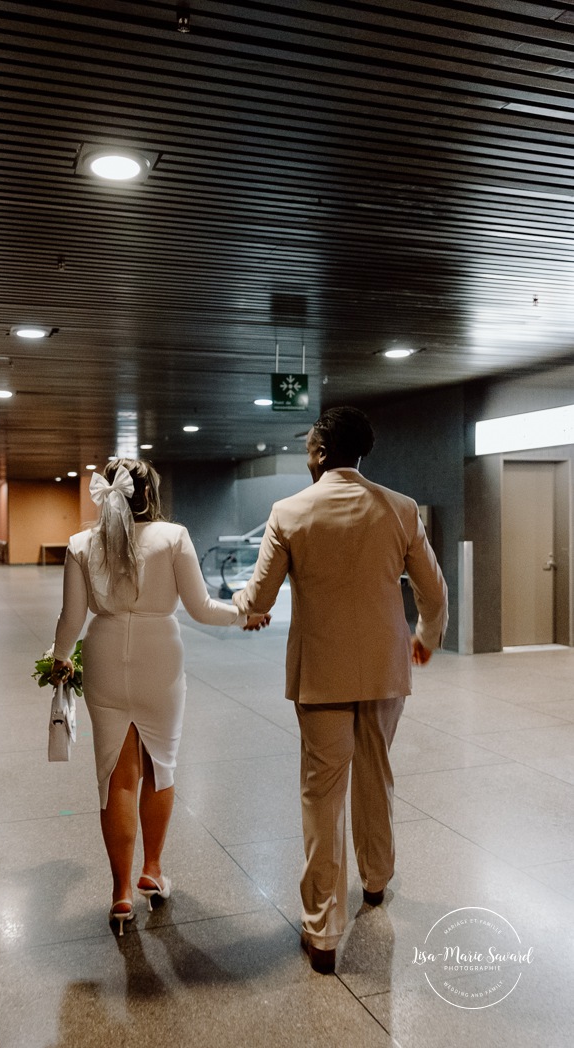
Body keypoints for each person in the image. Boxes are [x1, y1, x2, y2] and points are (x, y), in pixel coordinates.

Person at [233, 406, 448, 973]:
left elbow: (259, 598)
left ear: (324, 452)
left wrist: (245, 610)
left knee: (321, 795)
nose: (307, 453)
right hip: (384, 671)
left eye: (309, 445)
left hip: (321, 677)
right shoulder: (400, 510)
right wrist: (425, 636)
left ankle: (323, 930)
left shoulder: (290, 511)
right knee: (376, 772)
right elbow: (433, 588)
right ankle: (375, 881)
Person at [51, 458, 252, 935]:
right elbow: (202, 609)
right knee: (160, 765)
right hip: (159, 655)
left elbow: (70, 619)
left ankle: (120, 894)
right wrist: (245, 612)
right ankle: (153, 869)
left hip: (102, 652)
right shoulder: (172, 536)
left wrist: (61, 660)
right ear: (150, 495)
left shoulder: (81, 544)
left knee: (116, 777)